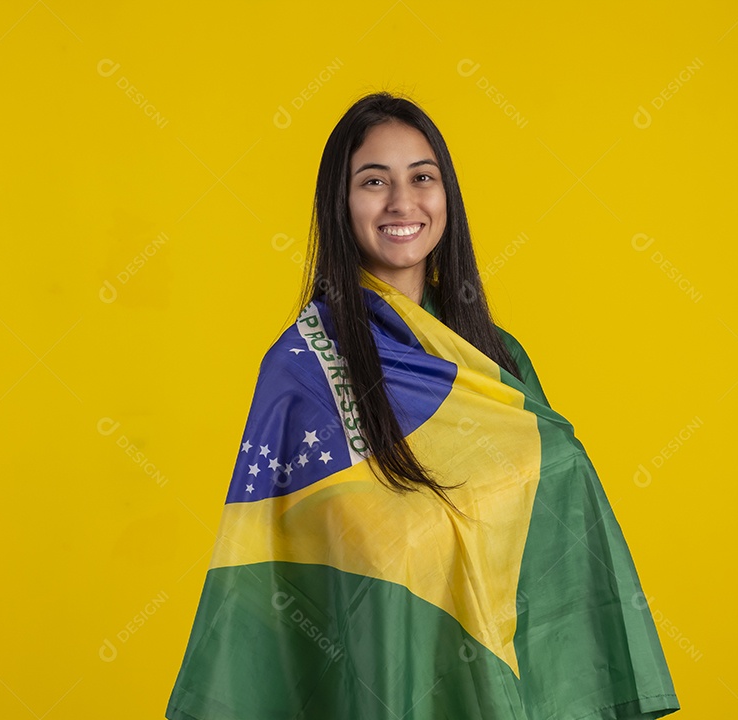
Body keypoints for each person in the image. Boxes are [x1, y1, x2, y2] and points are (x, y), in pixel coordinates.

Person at [165, 91, 681, 719]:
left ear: (446, 197)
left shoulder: (497, 357)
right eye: (374, 181)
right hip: (380, 681)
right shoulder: (303, 369)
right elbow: (280, 575)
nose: (401, 203)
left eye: (422, 178)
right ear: (341, 203)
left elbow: (561, 536)